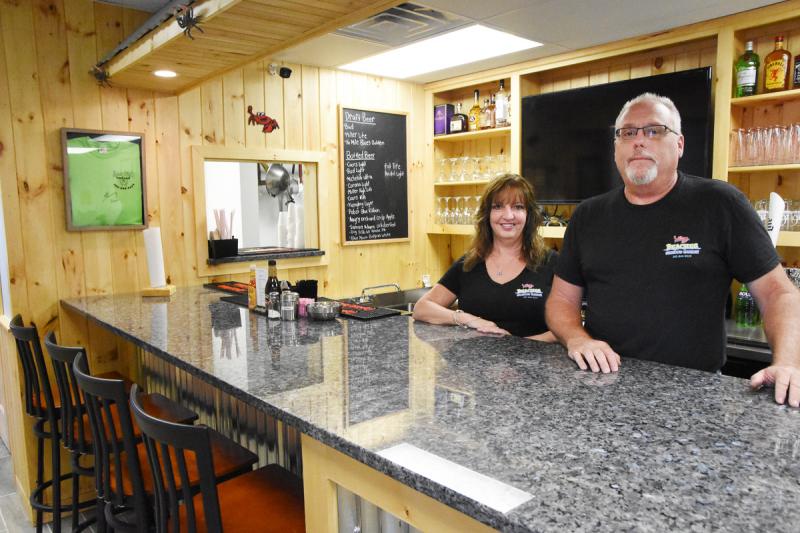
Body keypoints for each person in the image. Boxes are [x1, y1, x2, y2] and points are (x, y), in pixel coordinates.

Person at [545, 92, 800, 407]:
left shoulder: (720, 203)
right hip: (601, 387)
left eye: (654, 130)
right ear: (616, 147)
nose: (639, 141)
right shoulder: (587, 215)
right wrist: (577, 339)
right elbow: (561, 300)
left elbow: (779, 293)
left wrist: (788, 362)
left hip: (694, 395)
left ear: (679, 144)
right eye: (628, 132)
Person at [413, 174, 557, 340]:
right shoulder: (469, 264)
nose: (508, 215)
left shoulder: (551, 263)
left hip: (534, 363)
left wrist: (518, 346)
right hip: (475, 363)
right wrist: (469, 319)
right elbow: (422, 308)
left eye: (518, 207)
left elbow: (569, 328)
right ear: (487, 215)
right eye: (498, 206)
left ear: (529, 215)